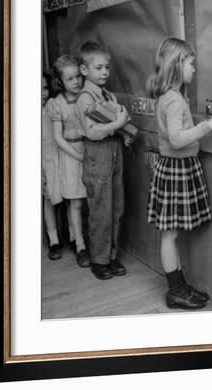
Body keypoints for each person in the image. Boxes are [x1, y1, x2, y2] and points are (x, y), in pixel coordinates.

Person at [147, 37, 212, 310]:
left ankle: (180, 286)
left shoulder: (171, 97)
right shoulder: (173, 100)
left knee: (171, 234)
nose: (194, 69)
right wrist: (209, 125)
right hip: (175, 169)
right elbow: (177, 139)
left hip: (175, 168)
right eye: (191, 63)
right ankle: (176, 292)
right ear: (177, 64)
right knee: (169, 234)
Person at [75, 41, 130, 280]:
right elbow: (93, 132)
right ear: (84, 70)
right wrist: (118, 124)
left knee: (116, 206)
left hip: (114, 152)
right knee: (100, 209)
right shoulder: (85, 99)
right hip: (97, 155)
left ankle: (112, 256)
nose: (105, 72)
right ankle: (99, 259)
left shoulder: (107, 94)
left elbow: (114, 125)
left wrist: (124, 134)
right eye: (98, 68)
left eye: (107, 67)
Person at [46, 55, 90, 268]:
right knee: (76, 201)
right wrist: (77, 155)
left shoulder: (87, 96)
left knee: (91, 200)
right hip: (70, 154)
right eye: (70, 78)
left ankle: (88, 240)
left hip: (89, 149)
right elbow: (57, 137)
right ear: (60, 82)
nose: (76, 81)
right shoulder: (56, 104)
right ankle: (80, 246)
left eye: (78, 76)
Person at [42, 72, 68, 260]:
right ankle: (53, 240)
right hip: (43, 159)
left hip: (60, 155)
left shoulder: (54, 105)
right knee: (49, 199)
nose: (42, 93)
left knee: (67, 196)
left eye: (44, 88)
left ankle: (74, 238)